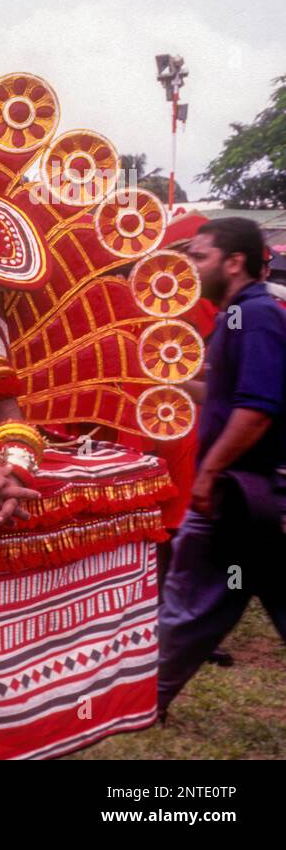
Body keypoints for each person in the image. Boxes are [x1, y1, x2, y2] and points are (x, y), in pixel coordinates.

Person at [157, 217, 286, 718]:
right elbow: (227, 399)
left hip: (238, 495)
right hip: (254, 503)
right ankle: (150, 697)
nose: (190, 266)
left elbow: (256, 410)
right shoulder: (235, 316)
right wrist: (170, 380)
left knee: (192, 604)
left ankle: (146, 699)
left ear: (234, 262)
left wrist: (208, 473)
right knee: (211, 600)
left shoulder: (255, 317)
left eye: (199, 256)